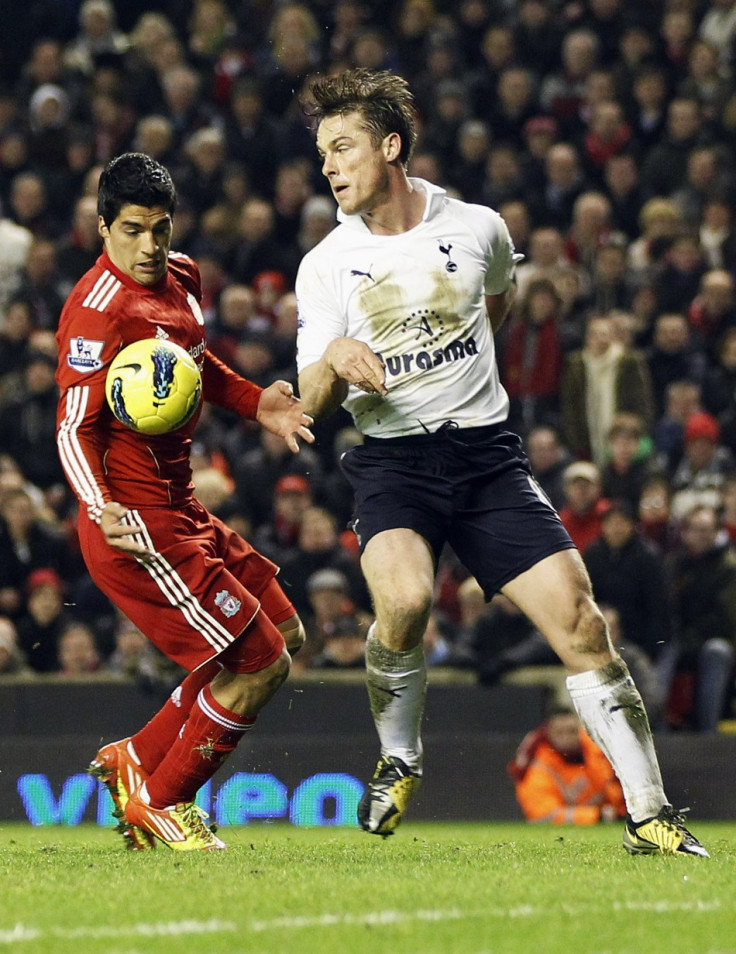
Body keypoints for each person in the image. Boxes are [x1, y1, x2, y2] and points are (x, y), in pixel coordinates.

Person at [295, 68, 706, 856]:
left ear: (391, 146)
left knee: (584, 627)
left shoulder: (478, 227)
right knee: (407, 604)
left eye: (342, 147)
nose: (330, 167)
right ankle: (399, 756)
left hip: (486, 460)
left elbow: (497, 300)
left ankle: (650, 816)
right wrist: (338, 353)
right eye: (322, 154)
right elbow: (312, 398)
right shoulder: (326, 264)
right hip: (393, 465)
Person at [55, 153, 314, 852]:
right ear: (102, 226)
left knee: (285, 635)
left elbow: (201, 365)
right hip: (137, 526)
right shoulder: (95, 312)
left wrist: (260, 403)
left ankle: (135, 758)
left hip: (185, 508)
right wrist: (100, 504)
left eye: (160, 230)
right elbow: (72, 426)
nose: (148, 246)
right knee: (261, 663)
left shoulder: (184, 277)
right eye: (133, 229)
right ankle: (162, 802)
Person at [508, 707, 626, 825]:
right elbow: (542, 815)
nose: (566, 738)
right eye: (559, 732)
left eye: (572, 731)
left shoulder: (598, 751)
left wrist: (619, 811)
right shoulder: (538, 766)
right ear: (548, 733)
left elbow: (617, 794)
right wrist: (597, 815)